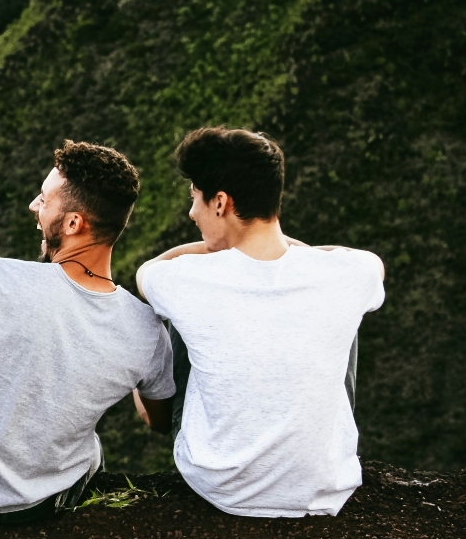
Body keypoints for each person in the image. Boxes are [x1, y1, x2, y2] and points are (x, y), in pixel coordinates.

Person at [0, 140, 176, 525]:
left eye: (44, 199)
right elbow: (159, 421)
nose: (34, 205)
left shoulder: (0, 277)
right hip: (37, 507)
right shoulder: (147, 330)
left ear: (73, 224)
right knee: (92, 448)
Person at [135, 127, 385, 518]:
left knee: (176, 316)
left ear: (220, 202)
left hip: (220, 485)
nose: (191, 213)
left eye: (195, 199)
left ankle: (160, 420)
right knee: (342, 312)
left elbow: (148, 272)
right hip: (322, 488)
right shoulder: (348, 273)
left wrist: (212, 249)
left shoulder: (184, 277)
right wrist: (294, 251)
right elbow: (369, 262)